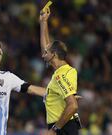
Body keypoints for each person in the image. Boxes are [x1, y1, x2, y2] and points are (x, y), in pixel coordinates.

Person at [39, 7, 80, 135]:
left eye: (46, 53)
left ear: (54, 55)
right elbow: (46, 46)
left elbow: (73, 106)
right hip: (66, 125)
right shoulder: (65, 71)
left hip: (63, 127)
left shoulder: (60, 75)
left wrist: (54, 130)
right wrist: (43, 22)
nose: (43, 54)